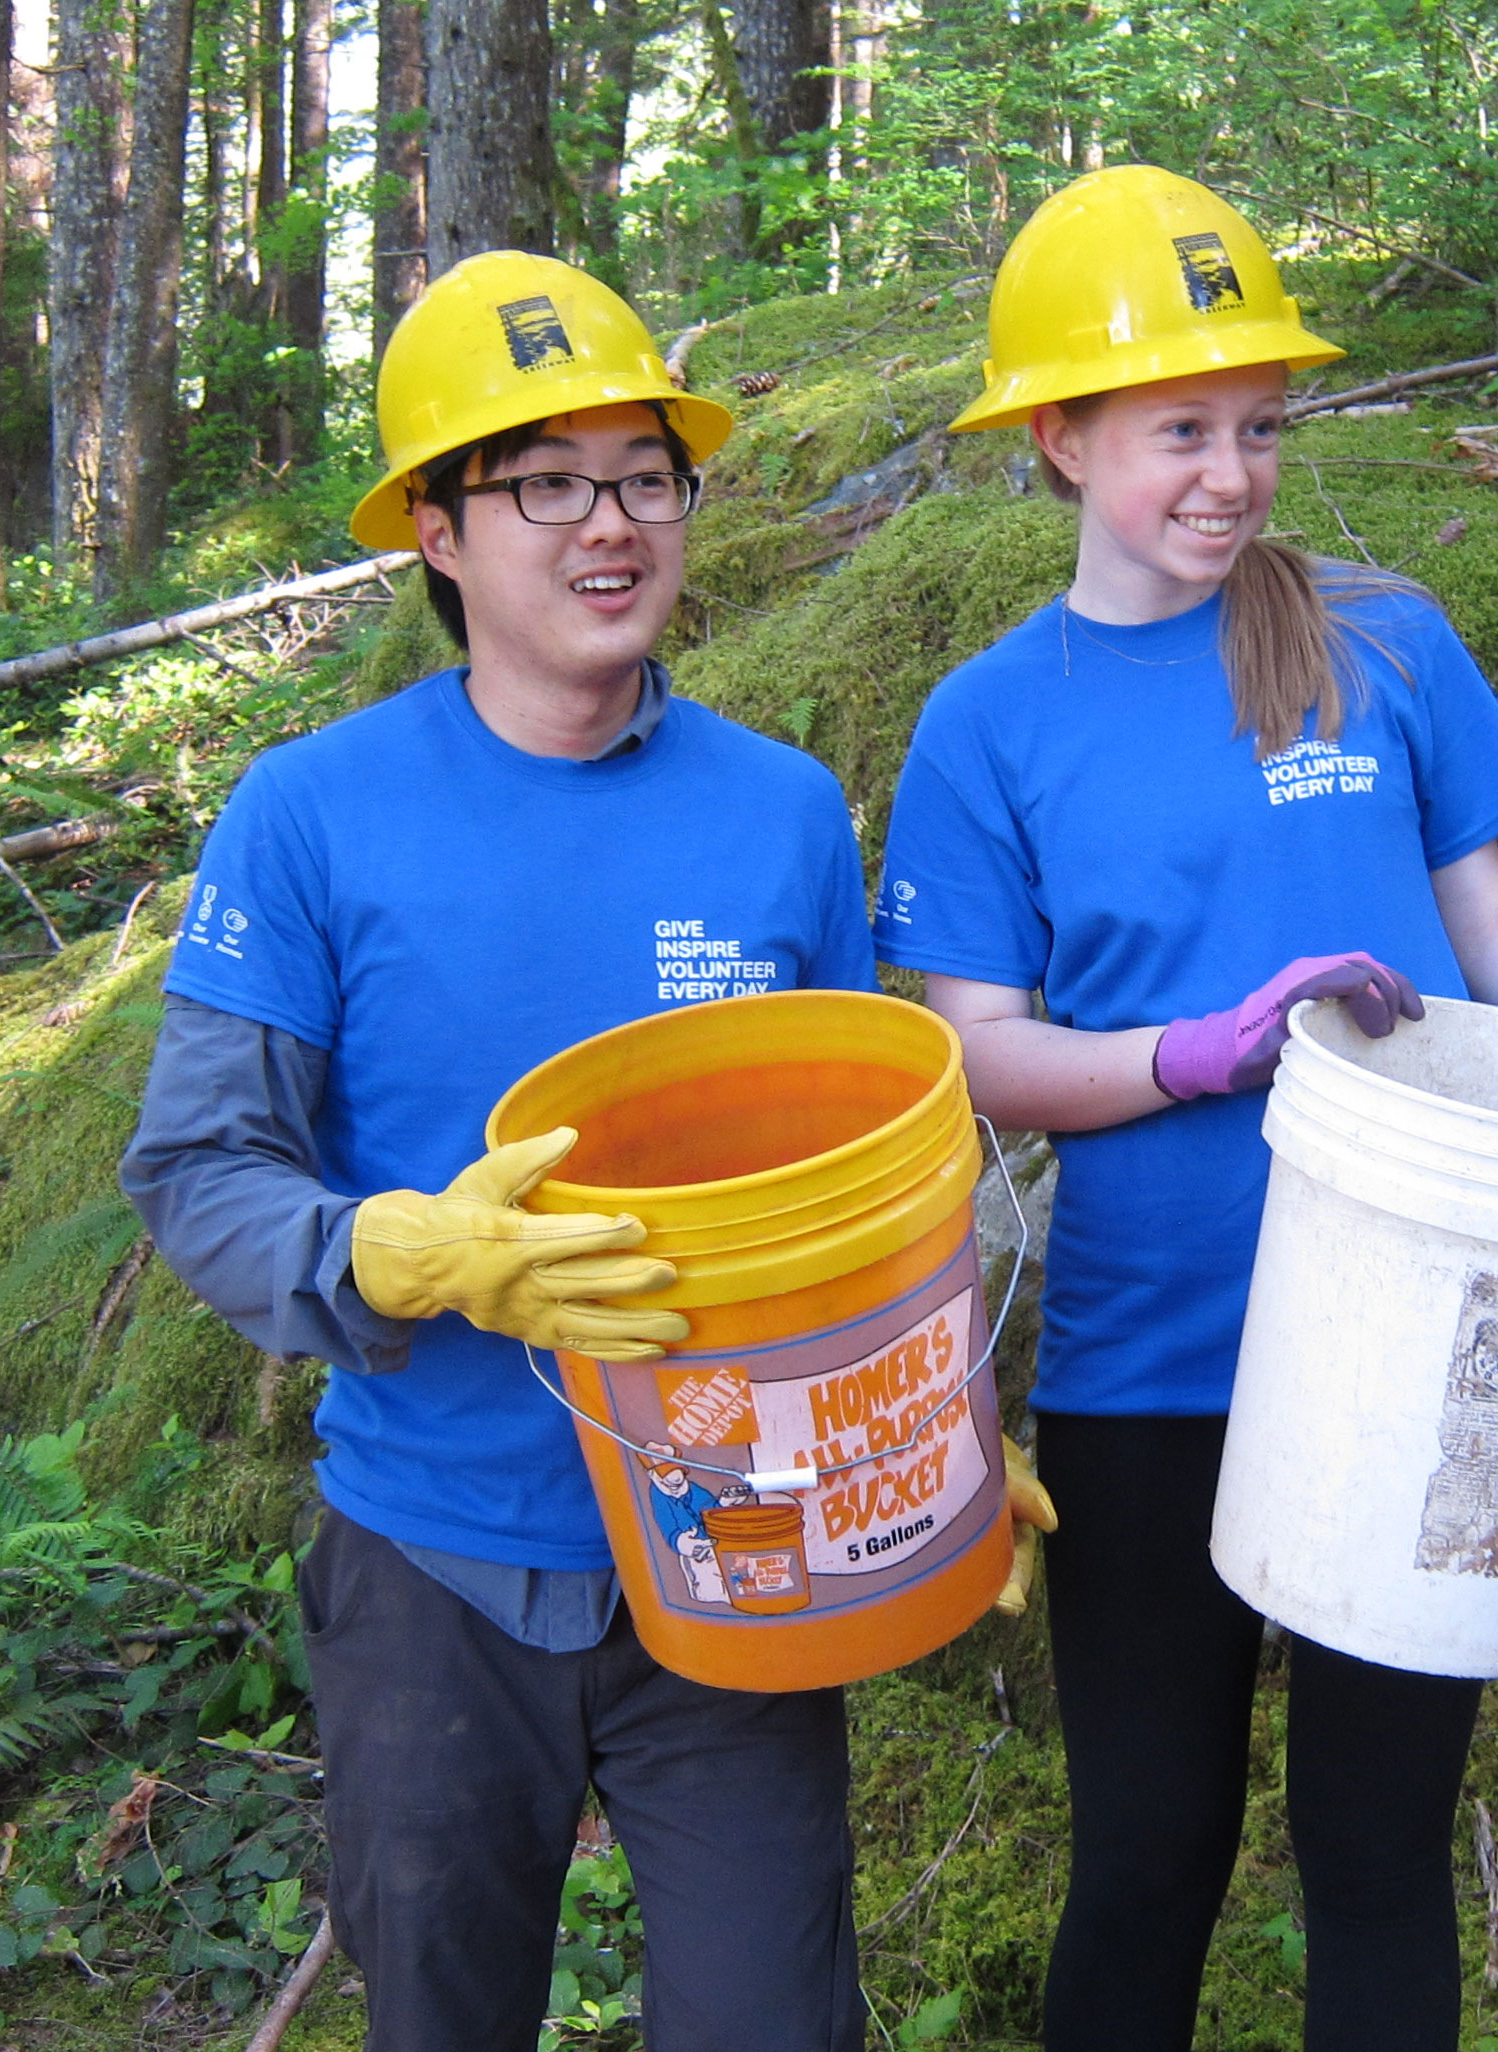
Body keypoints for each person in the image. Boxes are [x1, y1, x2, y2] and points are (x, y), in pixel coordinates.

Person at [872, 168, 1498, 2052]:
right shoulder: (992, 721)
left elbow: (1496, 939)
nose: (1229, 473)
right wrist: (1196, 1054)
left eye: (1260, 427)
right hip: (1152, 1369)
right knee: (1150, 1847)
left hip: (1431, 1333)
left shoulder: (1381, 641)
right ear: (1058, 439)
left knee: (1378, 1845)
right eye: (1176, 431)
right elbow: (972, 1050)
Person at [121, 249, 877, 2052]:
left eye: (643, 475)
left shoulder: (781, 813)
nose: (608, 524)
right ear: (441, 534)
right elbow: (200, 1166)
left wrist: (923, 1436)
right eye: (544, 482)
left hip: (738, 1541)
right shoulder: (309, 815)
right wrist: (382, 1254)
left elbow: (851, 1198)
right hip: (432, 1556)